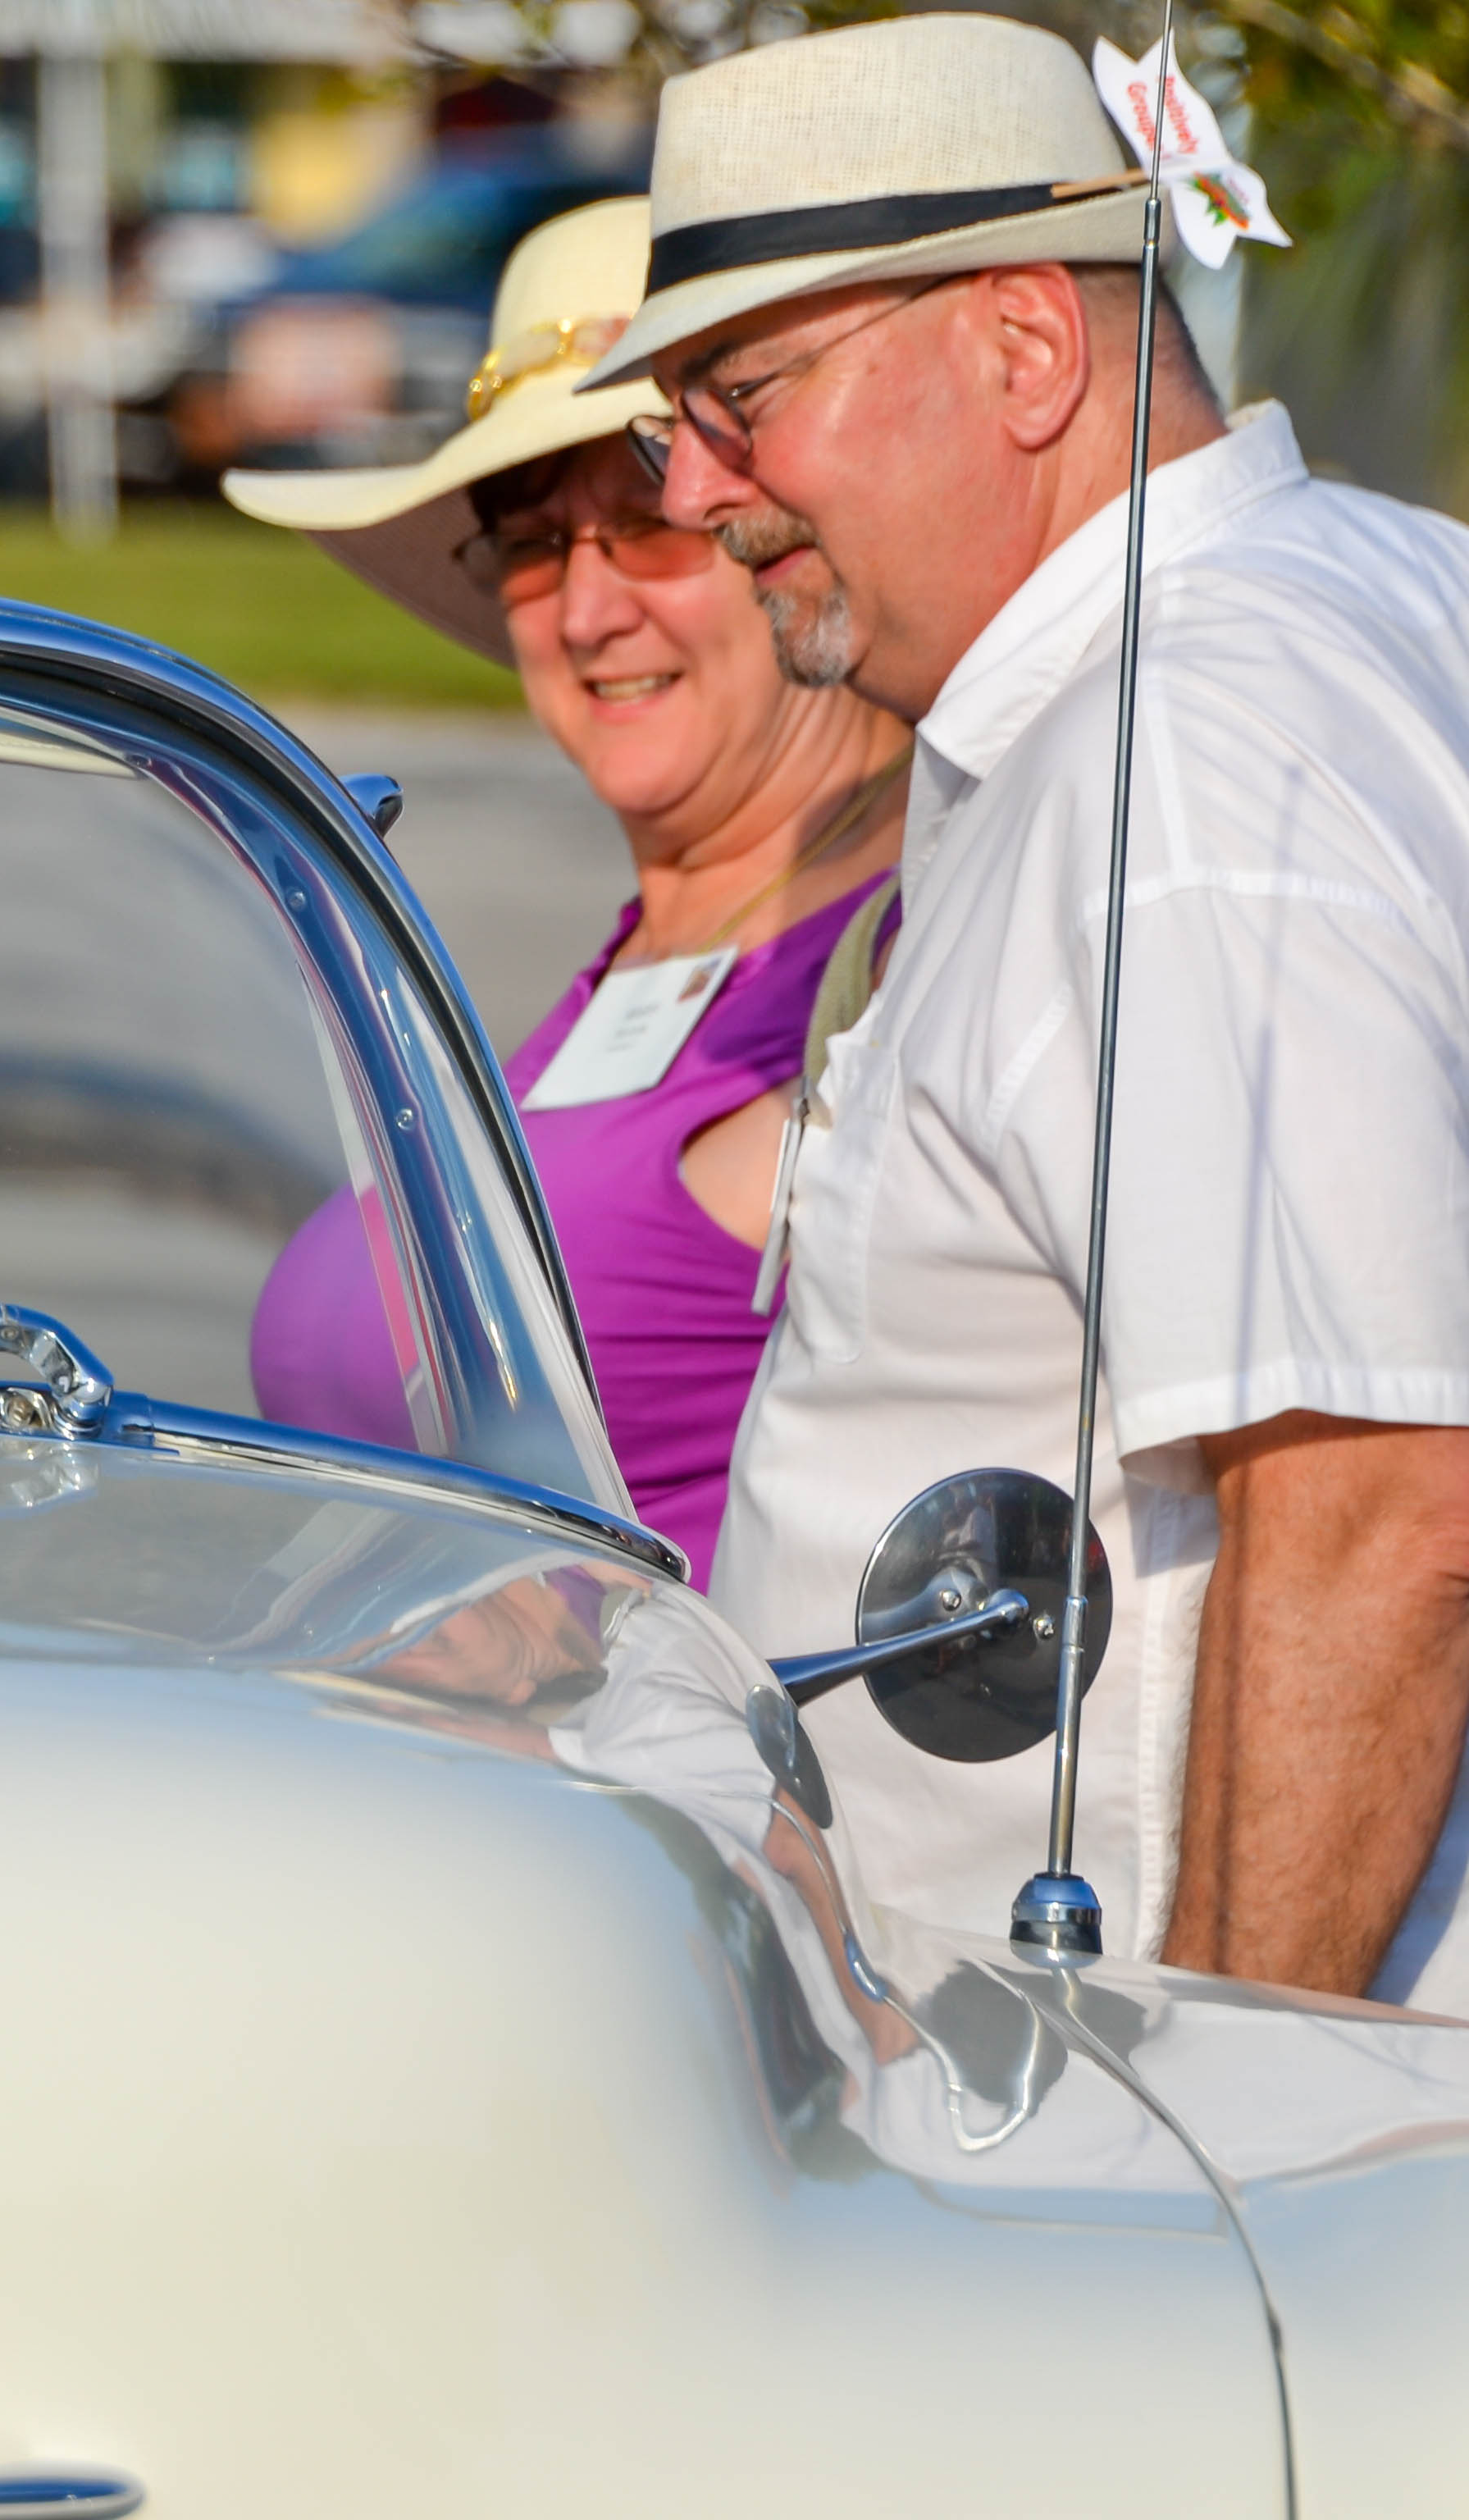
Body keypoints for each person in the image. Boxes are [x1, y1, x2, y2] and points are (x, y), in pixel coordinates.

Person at [581, 14, 1469, 2002]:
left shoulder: (1188, 750)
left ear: (1027, 346)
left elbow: (1377, 1505)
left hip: (1193, 2108)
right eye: (671, 425)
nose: (699, 494)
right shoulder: (1375, 601)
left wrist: (1223, 2119)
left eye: (741, 398)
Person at [225, 199, 909, 1587]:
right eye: (533, 541)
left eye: (649, 521)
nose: (587, 613)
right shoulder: (652, 957)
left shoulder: (912, 951)